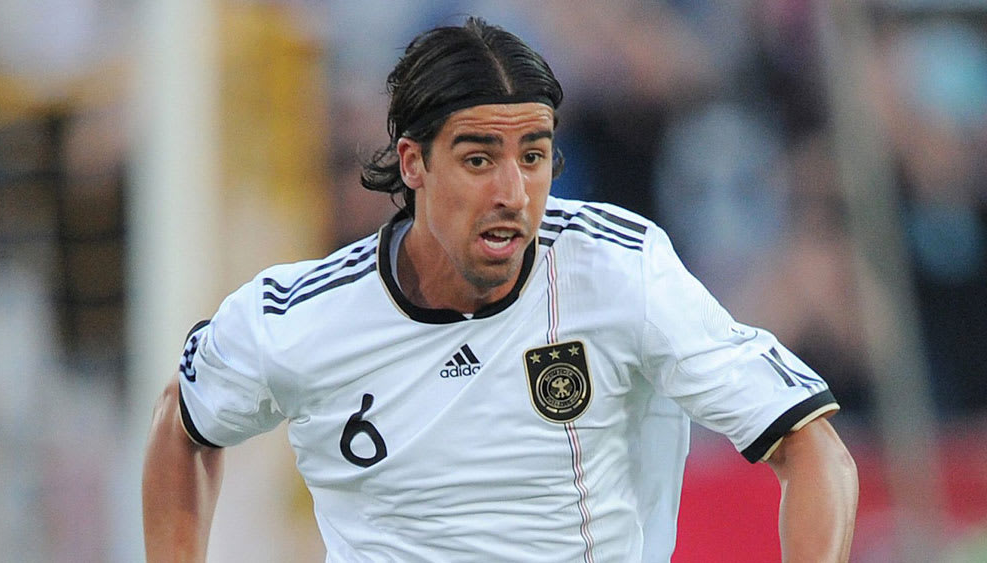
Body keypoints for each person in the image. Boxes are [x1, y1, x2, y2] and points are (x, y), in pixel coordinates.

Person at [142, 17, 858, 562]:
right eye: (479, 159)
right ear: (413, 163)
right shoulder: (299, 319)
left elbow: (814, 447)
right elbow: (184, 422)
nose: (513, 192)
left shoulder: (619, 270)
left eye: (534, 155)